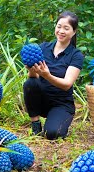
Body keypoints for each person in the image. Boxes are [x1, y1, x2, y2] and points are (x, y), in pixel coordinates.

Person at [23, 11, 84, 140]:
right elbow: (33, 78)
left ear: (73, 32)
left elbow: (67, 85)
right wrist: (32, 69)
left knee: (52, 134)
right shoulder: (43, 48)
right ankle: (35, 125)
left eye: (66, 28)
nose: (61, 31)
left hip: (61, 104)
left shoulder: (76, 55)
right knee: (29, 83)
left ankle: (55, 121)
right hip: (42, 99)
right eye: (59, 26)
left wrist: (47, 75)